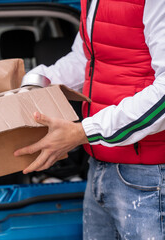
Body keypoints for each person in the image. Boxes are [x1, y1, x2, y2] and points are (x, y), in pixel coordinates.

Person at [14, 0, 165, 239]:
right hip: (99, 165)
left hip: (150, 177)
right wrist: (39, 81)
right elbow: (88, 57)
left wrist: (84, 132)